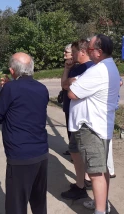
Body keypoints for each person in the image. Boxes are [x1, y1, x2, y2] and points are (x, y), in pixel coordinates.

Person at [0, 52, 49, 214]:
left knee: (16, 205)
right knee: (39, 203)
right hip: (41, 153)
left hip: (20, 155)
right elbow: (26, 102)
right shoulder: (42, 88)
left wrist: (6, 91)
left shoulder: (10, 88)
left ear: (12, 70)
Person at [67, 34, 120, 214]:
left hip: (91, 126)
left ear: (98, 52)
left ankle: (100, 210)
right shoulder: (109, 66)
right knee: (102, 169)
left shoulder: (98, 71)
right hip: (100, 123)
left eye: (89, 50)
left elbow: (72, 93)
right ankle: (102, 204)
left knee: (96, 172)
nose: (87, 54)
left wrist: (75, 83)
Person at [60, 39, 94, 200]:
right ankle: (80, 184)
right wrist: (67, 71)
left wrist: (69, 84)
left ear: (82, 51)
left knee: (84, 152)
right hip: (74, 115)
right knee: (74, 150)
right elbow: (64, 85)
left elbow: (71, 90)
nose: (71, 56)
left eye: (73, 52)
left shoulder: (90, 68)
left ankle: (87, 183)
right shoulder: (76, 67)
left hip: (84, 119)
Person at [61, 44, 73, 156]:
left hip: (73, 102)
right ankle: (72, 149)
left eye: (67, 52)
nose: (64, 53)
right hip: (67, 102)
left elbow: (64, 85)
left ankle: (75, 151)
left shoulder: (75, 66)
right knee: (69, 127)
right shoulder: (68, 65)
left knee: (73, 128)